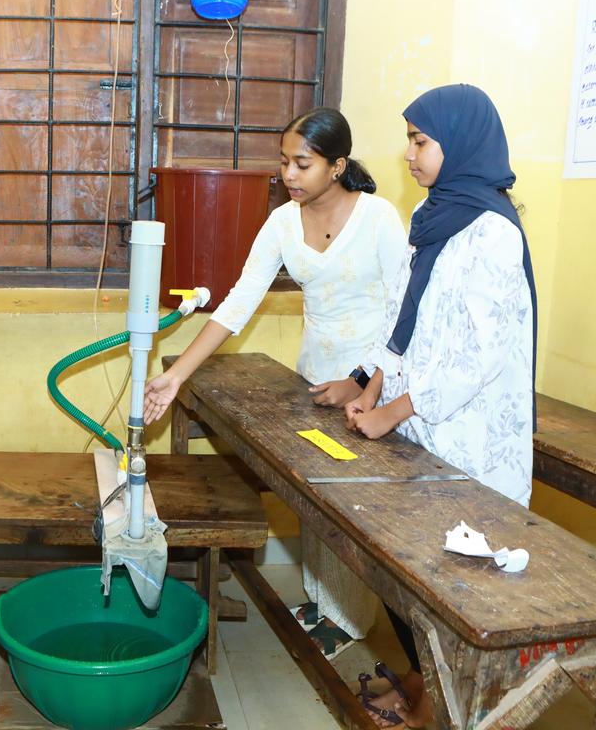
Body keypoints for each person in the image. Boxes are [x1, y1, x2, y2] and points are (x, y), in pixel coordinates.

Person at [144, 108, 406, 658]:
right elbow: (238, 302)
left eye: (302, 164)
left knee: (354, 504)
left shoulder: (378, 217)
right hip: (315, 374)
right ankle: (321, 603)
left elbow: (403, 312)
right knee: (316, 495)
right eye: (284, 161)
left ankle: (347, 622)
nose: (288, 174)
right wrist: (174, 375)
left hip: (376, 379)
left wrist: (361, 380)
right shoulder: (284, 221)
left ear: (337, 166)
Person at [344, 83, 537, 728]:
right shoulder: (434, 218)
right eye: (409, 139)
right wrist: (370, 384)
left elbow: (477, 358)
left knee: (451, 577)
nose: (409, 154)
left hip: (468, 436)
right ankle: (422, 676)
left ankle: (436, 700)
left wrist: (394, 410)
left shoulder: (493, 232)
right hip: (422, 430)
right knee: (405, 564)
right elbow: (404, 316)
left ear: (461, 142)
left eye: (420, 140)